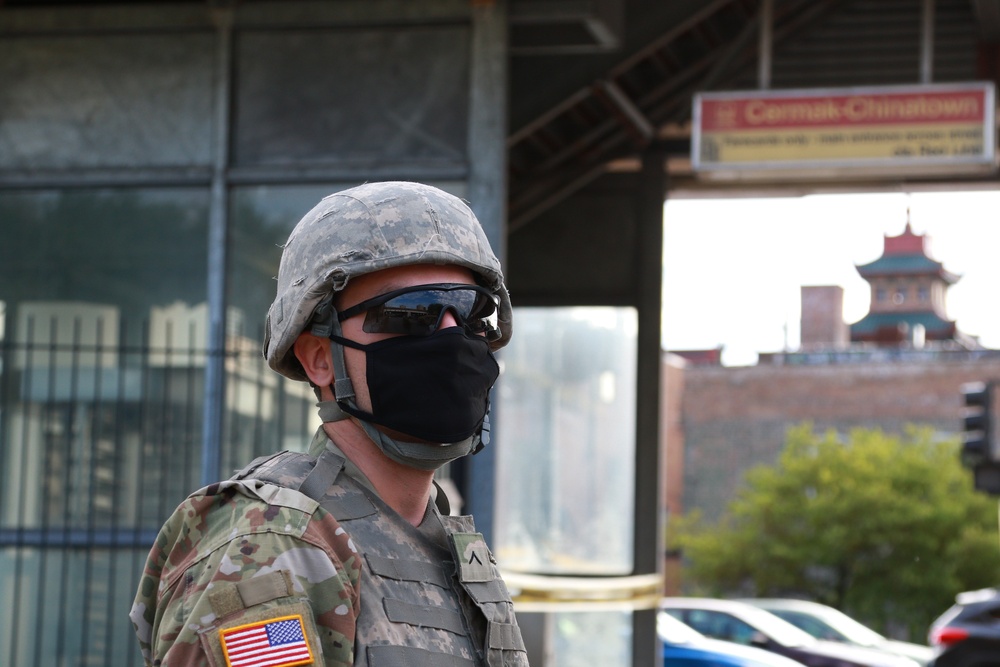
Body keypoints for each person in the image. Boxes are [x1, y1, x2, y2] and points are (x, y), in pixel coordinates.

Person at [130, 181, 529, 666]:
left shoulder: (446, 544)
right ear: (320, 358)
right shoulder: (273, 547)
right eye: (411, 314)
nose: (451, 337)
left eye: (472, 313)